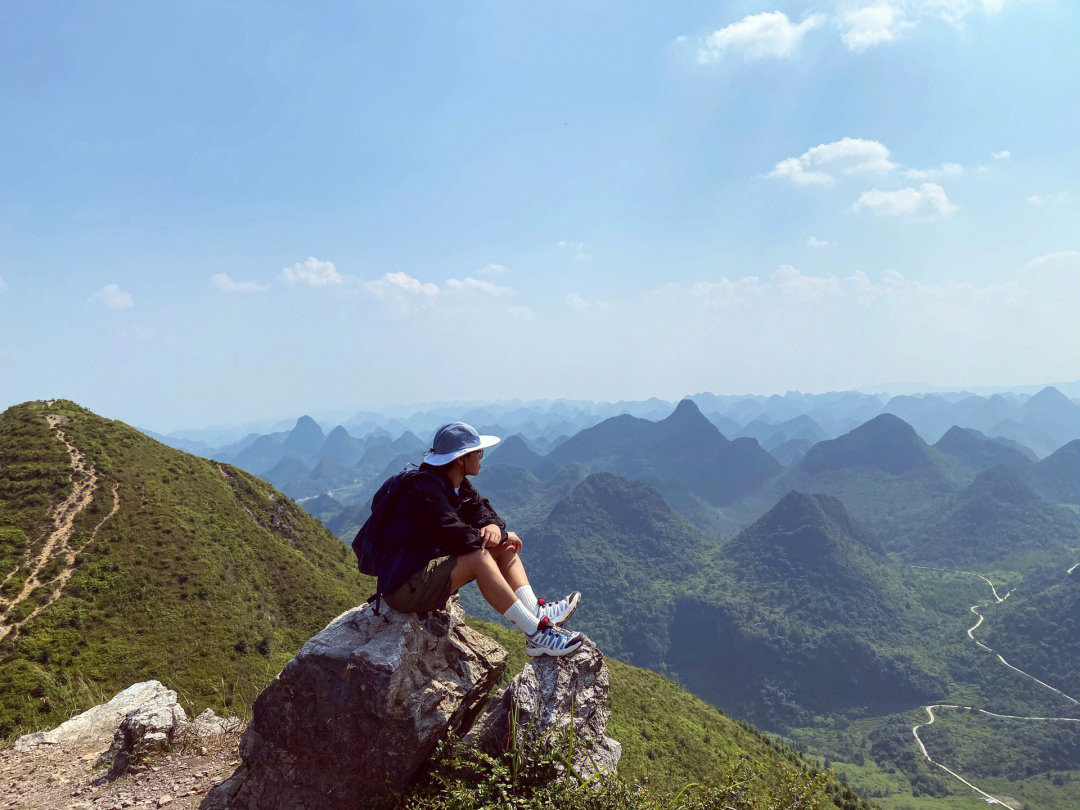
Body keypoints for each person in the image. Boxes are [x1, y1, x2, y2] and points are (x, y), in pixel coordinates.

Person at [354, 421, 583, 657]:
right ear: (461, 459)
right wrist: (499, 534)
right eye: (479, 452)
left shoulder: (454, 482)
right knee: (478, 556)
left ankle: (535, 610)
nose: (482, 457)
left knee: (503, 545)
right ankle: (536, 635)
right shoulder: (425, 493)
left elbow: (482, 509)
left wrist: (495, 528)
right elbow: (458, 538)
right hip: (403, 588)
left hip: (422, 571)